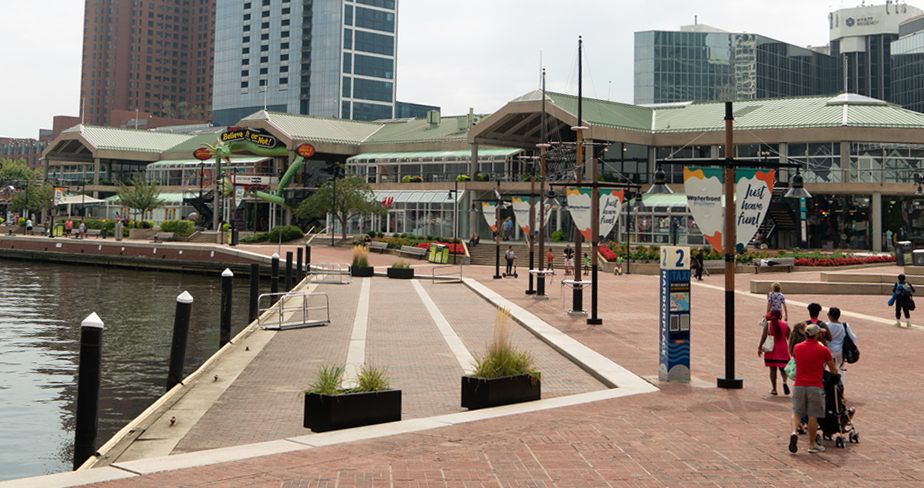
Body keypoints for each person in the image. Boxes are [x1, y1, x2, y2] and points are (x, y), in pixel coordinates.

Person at [789, 323, 839, 454]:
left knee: (796, 412)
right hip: (815, 386)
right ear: (817, 335)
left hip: (799, 384)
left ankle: (794, 432)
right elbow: (833, 368)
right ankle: (812, 444)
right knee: (813, 416)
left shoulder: (797, 347)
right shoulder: (823, 350)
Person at [758, 309, 790, 396]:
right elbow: (788, 336)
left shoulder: (768, 324)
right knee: (783, 368)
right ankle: (784, 381)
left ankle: (774, 389)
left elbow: (764, 337)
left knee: (772, 369)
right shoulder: (785, 325)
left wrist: (760, 347)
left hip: (771, 349)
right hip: (783, 349)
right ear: (781, 316)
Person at [825, 307, 857, 386]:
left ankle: (830, 387)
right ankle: (840, 388)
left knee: (828, 368)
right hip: (840, 351)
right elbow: (853, 337)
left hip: (829, 351)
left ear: (831, 316)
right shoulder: (845, 326)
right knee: (840, 369)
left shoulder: (826, 325)